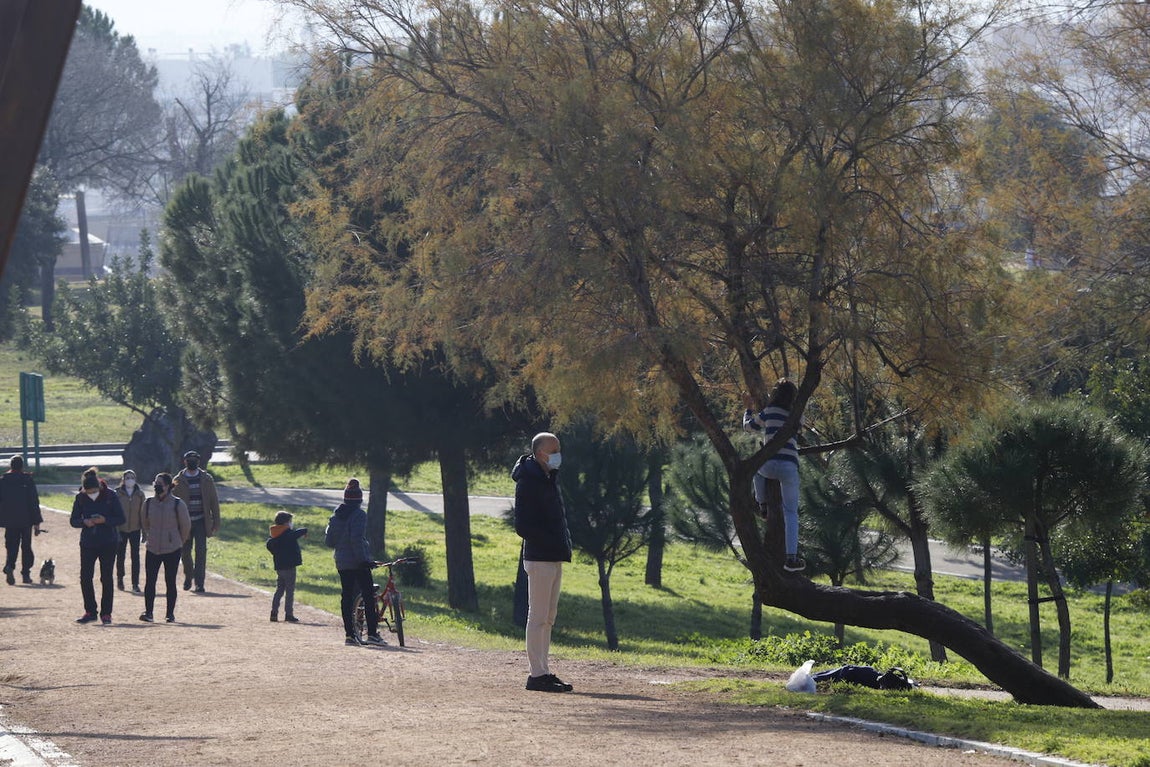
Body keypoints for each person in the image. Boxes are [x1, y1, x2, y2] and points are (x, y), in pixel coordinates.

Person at [512, 432, 574, 693]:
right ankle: (536, 674)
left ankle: (544, 670)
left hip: (553, 555)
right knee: (537, 617)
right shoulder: (528, 481)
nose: (558, 454)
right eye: (554, 450)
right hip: (539, 558)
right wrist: (549, 542)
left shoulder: (548, 477)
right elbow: (523, 525)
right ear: (540, 454)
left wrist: (560, 545)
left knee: (548, 617)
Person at [743, 378, 806, 572]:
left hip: (769, 464)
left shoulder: (769, 412)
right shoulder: (797, 415)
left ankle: (762, 504)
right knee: (791, 513)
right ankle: (791, 558)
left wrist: (747, 411)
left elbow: (748, 427)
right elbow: (800, 429)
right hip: (789, 467)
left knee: (756, 466)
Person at [325, 478, 383, 646]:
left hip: (342, 563)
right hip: (358, 562)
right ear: (359, 500)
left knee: (347, 597)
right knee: (368, 596)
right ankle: (372, 633)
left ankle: (350, 635)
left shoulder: (335, 517)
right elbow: (356, 539)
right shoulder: (359, 515)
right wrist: (364, 560)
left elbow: (329, 542)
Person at [69, 467, 125, 624]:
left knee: (106, 577)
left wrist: (105, 520)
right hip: (88, 542)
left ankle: (106, 613)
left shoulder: (110, 496)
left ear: (99, 487)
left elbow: (121, 519)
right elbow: (73, 520)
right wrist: (83, 522)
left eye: (93, 491)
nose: (91, 495)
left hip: (108, 542)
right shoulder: (81, 498)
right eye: (88, 492)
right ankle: (90, 611)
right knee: (85, 577)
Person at [139, 473, 191, 623]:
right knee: (150, 581)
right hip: (153, 547)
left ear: (168, 486)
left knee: (170, 581)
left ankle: (170, 614)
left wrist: (178, 541)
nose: (156, 485)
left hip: (172, 549)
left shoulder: (177, 504)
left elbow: (185, 526)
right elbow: (145, 523)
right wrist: (151, 537)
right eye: (155, 482)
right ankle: (149, 613)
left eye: (160, 483)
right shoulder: (148, 503)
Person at [172, 450, 221, 593]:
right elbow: (173, 503)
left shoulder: (207, 479)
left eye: (195, 460)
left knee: (201, 551)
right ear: (184, 462)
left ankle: (199, 583)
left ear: (198, 462)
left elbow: (214, 501)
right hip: (184, 522)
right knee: (185, 552)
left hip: (201, 521)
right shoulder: (178, 480)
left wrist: (216, 522)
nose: (192, 462)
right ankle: (189, 575)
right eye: (189, 460)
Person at [0, 455, 42, 585]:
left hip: (9, 520)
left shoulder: (3, 480)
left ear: (10, 466)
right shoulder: (27, 479)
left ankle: (10, 566)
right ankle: (25, 574)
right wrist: (37, 522)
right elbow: (33, 501)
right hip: (26, 519)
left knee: (11, 545)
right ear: (22, 466)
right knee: (26, 546)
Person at [266, 510, 307, 623]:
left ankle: (274, 613)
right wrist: (305, 530)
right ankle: (289, 614)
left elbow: (269, 545)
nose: (291, 524)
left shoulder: (274, 535)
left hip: (279, 566)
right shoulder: (287, 534)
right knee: (289, 591)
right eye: (290, 521)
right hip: (289, 567)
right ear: (285, 523)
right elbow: (296, 534)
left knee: (279, 590)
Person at [114, 469, 146, 592]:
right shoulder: (117, 493)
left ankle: (135, 583)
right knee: (120, 555)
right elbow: (115, 511)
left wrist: (144, 532)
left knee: (135, 556)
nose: (130, 480)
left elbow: (143, 514)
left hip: (135, 529)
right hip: (121, 529)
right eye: (127, 478)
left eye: (132, 477)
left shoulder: (140, 494)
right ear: (123, 479)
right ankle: (120, 579)